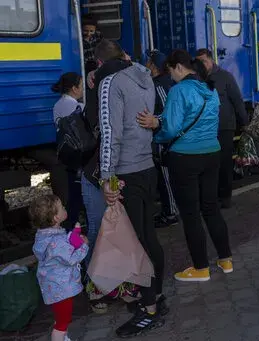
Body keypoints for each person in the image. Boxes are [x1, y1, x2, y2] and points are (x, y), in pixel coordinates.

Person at [98, 53, 166, 337]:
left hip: (126, 172)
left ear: (101, 64)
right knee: (148, 236)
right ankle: (155, 296)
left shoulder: (111, 82)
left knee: (137, 243)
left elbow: (110, 131)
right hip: (147, 168)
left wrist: (106, 176)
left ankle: (149, 308)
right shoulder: (144, 77)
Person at [153, 49, 233, 282]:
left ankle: (200, 268)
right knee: (211, 208)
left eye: (170, 71)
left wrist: (156, 132)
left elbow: (170, 128)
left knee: (191, 214)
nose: (170, 77)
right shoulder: (210, 89)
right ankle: (225, 259)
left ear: (178, 67)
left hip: (185, 157)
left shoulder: (179, 91)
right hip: (211, 153)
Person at [82, 40, 132, 313]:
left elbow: (93, 122)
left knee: (99, 229)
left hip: (100, 171)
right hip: (107, 170)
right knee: (112, 231)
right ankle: (103, 287)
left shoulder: (99, 84)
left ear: (99, 63)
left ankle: (103, 290)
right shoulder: (134, 79)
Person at [195, 48, 249, 209]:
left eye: (204, 61)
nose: (202, 65)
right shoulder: (197, 79)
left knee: (224, 163)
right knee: (207, 164)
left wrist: (245, 122)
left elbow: (237, 101)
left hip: (224, 127)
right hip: (205, 128)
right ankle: (210, 196)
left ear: (211, 60)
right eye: (199, 62)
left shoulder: (225, 77)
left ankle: (225, 197)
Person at [31, 195, 89, 341]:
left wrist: (75, 237)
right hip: (61, 288)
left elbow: (65, 248)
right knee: (62, 323)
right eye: (62, 207)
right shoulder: (56, 241)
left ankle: (63, 338)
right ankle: (59, 337)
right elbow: (71, 258)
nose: (64, 208)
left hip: (53, 287)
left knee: (60, 318)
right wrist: (84, 246)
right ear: (56, 218)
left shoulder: (44, 236)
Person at [137, 50, 179, 228]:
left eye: (148, 61)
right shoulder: (168, 82)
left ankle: (171, 213)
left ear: (153, 66)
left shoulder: (158, 85)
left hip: (164, 140)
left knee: (166, 178)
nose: (146, 64)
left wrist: (156, 123)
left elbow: (165, 113)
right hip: (168, 138)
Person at [51, 73, 85, 231]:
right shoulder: (76, 106)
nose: (83, 89)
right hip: (79, 154)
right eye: (81, 85)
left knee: (73, 189)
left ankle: (71, 224)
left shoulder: (57, 105)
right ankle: (74, 226)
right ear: (74, 88)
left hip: (66, 153)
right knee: (79, 193)